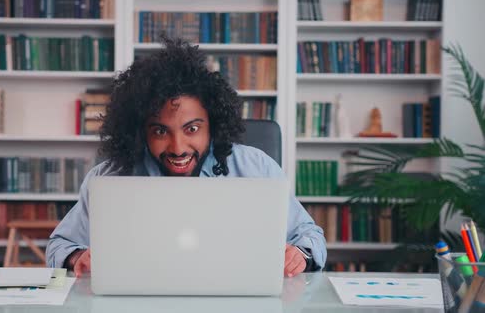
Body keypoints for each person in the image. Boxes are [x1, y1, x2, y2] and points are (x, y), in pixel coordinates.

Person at [46, 37, 327, 277]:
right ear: (140, 131)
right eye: (160, 131)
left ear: (213, 125)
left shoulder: (257, 167)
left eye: (191, 128)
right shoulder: (109, 178)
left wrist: (299, 255)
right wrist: (77, 257)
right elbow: (59, 244)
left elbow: (311, 236)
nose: (178, 147)